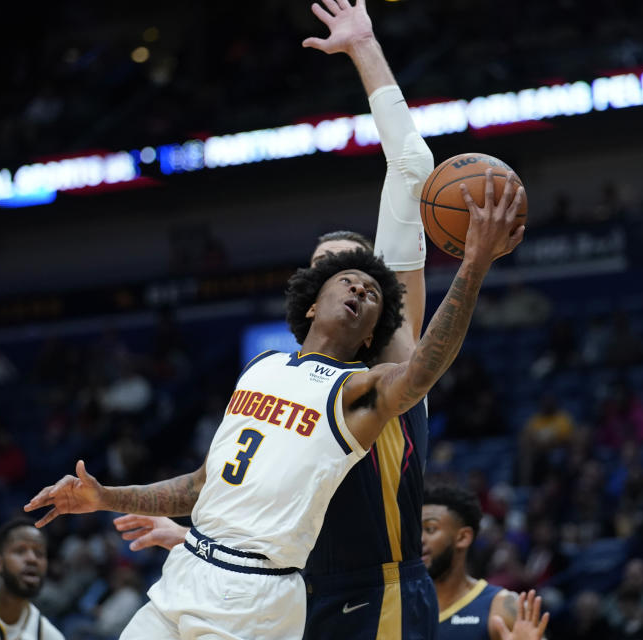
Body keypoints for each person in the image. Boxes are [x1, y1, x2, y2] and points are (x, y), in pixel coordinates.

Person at [24, 153, 525, 640]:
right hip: (187, 572)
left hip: (256, 598)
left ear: (373, 335)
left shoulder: (356, 394)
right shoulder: (260, 370)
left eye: (372, 294)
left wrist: (473, 265)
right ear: (311, 306)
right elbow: (202, 485)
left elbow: (422, 370)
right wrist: (104, 497)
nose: (358, 291)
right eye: (347, 282)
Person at [115, 0, 441, 635]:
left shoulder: (391, 351)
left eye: (353, 268)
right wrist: (192, 538)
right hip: (286, 594)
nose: (339, 280)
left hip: (378, 589)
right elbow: (253, 500)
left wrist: (363, 48)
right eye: (322, 271)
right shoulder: (276, 376)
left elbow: (411, 169)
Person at [421, 484, 518, 640]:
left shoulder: (502, 607)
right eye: (414, 531)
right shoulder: (397, 607)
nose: (419, 539)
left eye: (430, 529)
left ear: (463, 537)